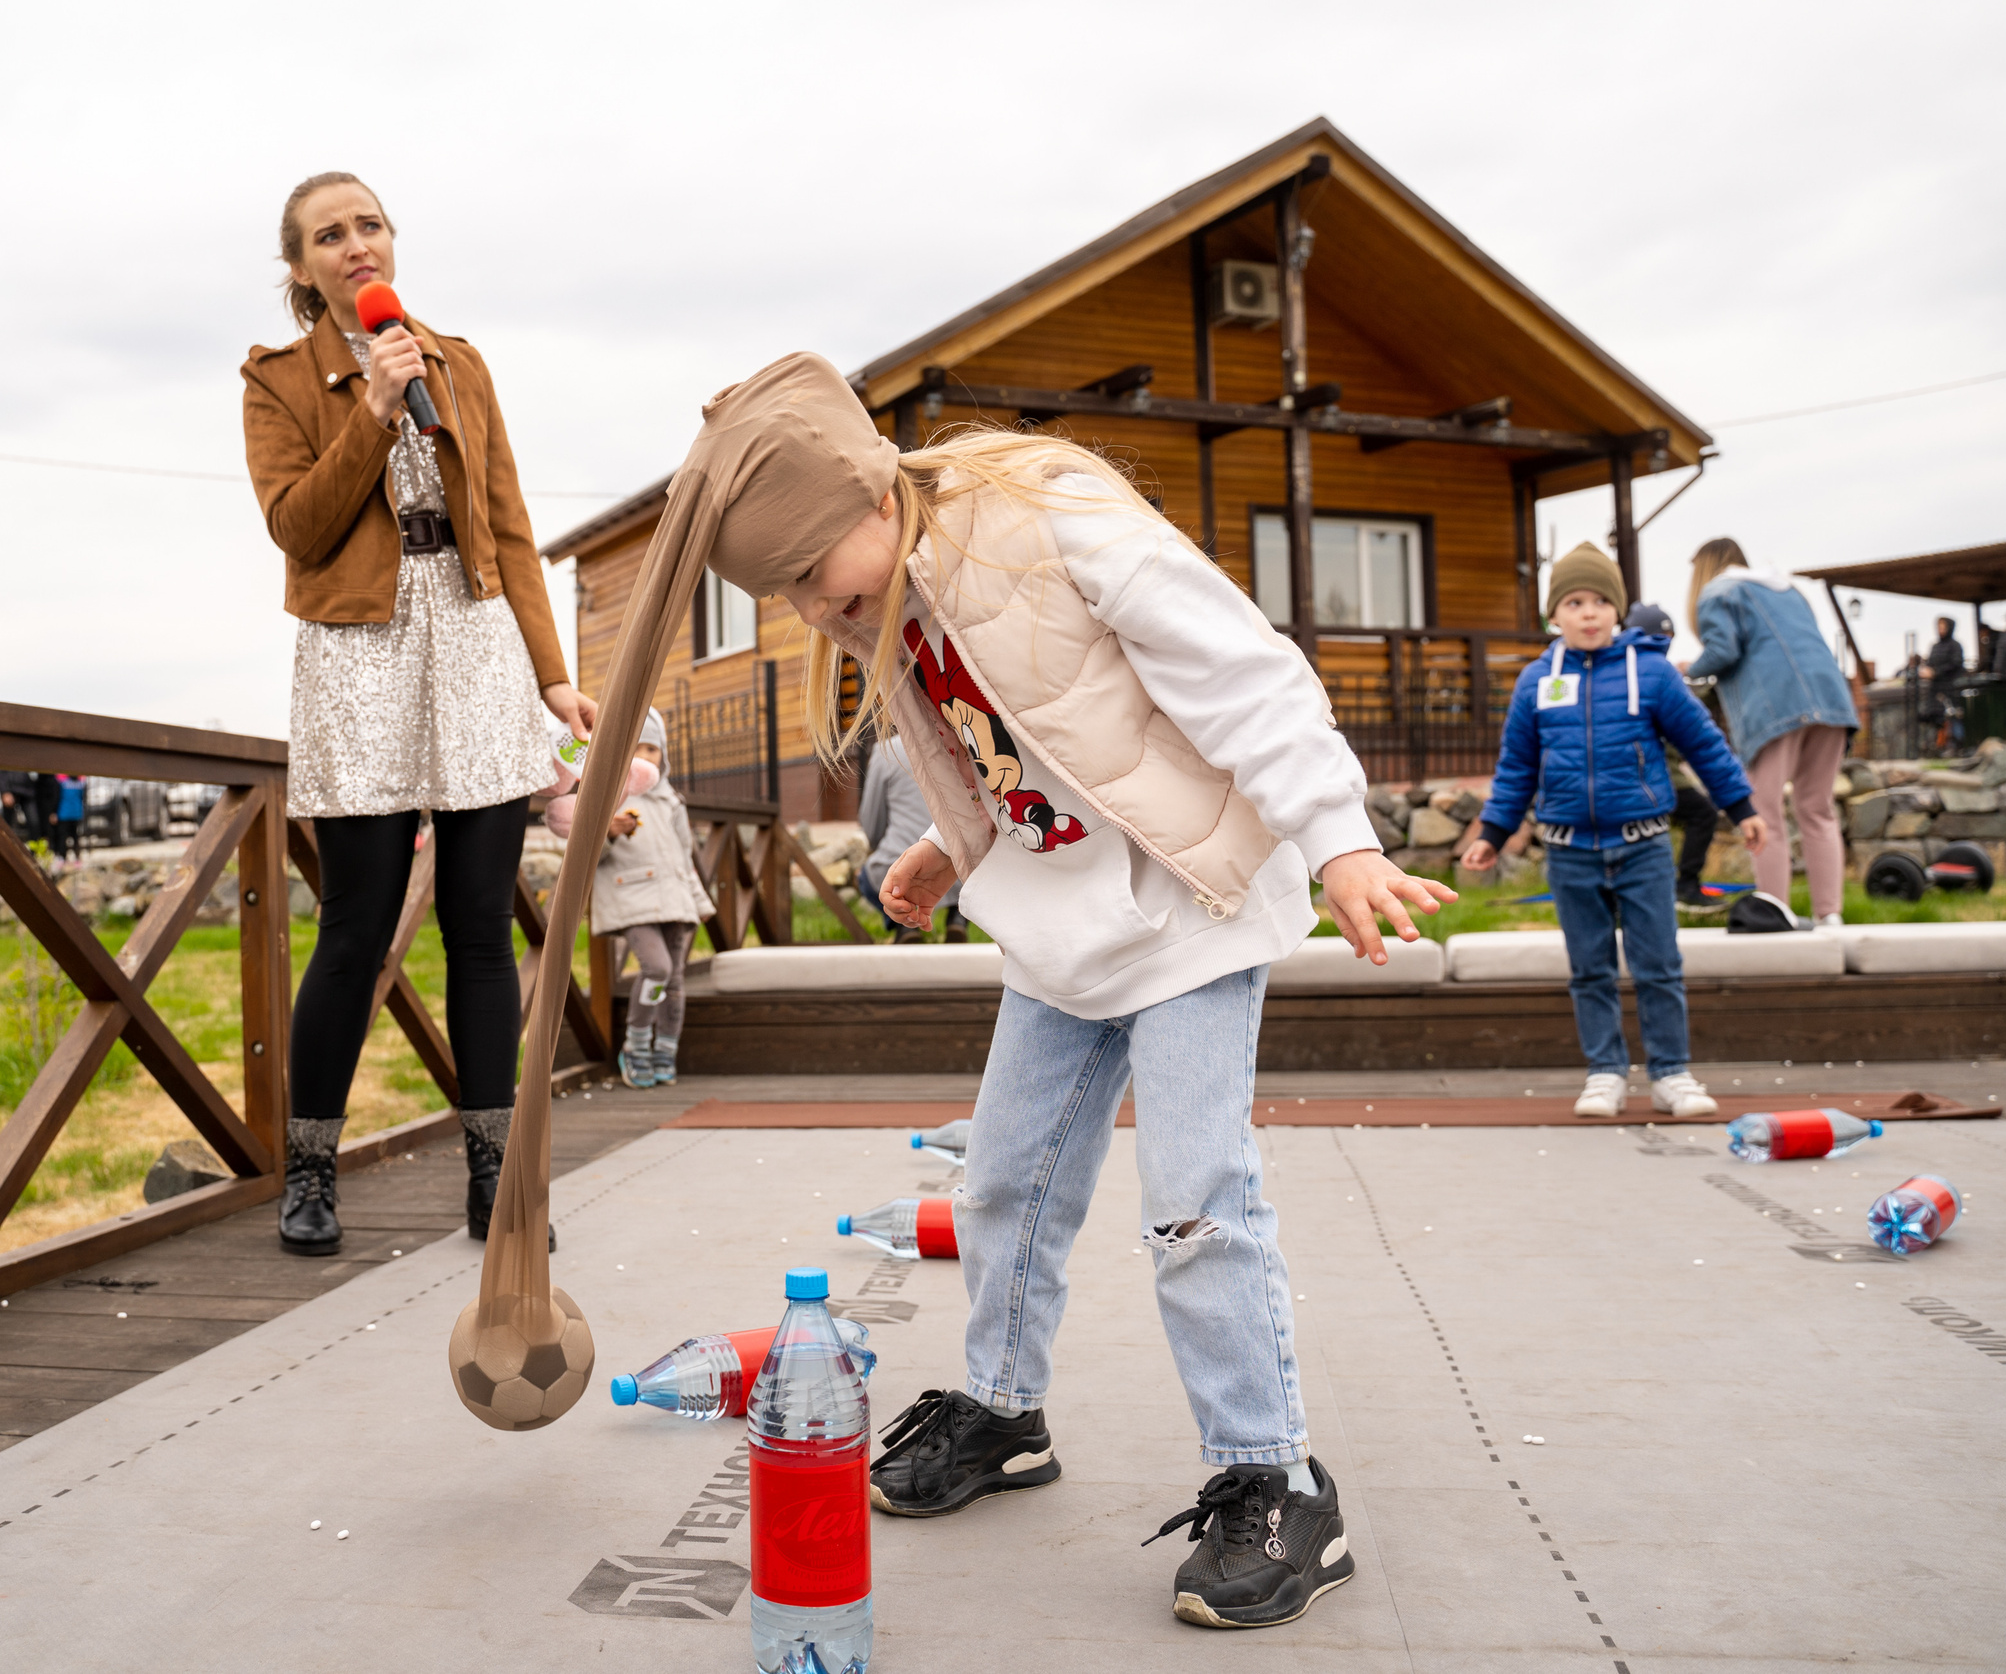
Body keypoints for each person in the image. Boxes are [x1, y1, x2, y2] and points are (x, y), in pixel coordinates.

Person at [674, 352, 1453, 1631]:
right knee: (1001, 1180)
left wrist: (1339, 837)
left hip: (1190, 907)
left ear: (875, 498)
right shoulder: (892, 604)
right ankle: (1002, 1408)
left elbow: (1245, 679)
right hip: (1061, 933)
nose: (814, 611)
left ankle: (1273, 1476)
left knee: (1195, 1199)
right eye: (785, 597)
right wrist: (954, 842)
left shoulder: (1053, 527)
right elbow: (1004, 747)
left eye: (814, 577)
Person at [243, 172, 596, 1256]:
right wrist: (374, 406)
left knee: (480, 926)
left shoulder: (462, 361)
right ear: (300, 269)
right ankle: (309, 1175)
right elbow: (297, 529)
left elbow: (511, 522)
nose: (356, 245)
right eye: (328, 235)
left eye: (369, 225)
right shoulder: (279, 380)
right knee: (354, 928)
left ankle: (495, 1181)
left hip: (476, 634)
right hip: (359, 651)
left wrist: (551, 672)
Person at [1463, 546, 1764, 1118]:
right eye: (1575, 602)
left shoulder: (1650, 673)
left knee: (1658, 964)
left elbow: (1703, 743)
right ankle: (1605, 1072)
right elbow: (1517, 768)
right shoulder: (1536, 682)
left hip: (1642, 845)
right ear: (1555, 615)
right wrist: (1493, 832)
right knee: (1590, 968)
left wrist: (1742, 806)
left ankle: (1672, 1072)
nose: (1590, 613)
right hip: (1569, 851)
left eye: (1602, 601)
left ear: (1618, 610)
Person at [1685, 538, 1863, 925]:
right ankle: (1830, 917)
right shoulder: (1787, 588)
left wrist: (1686, 671)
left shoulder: (1718, 591)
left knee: (1762, 813)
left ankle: (1772, 913)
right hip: (1831, 699)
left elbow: (1724, 650)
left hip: (1775, 707)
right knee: (1817, 809)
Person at [544, 709, 712, 1088]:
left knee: (675, 980)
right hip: (633, 899)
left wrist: (699, 903)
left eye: (652, 749)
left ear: (663, 756)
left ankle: (665, 1048)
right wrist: (610, 832)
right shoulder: (608, 796)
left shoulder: (672, 802)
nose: (645, 756)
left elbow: (685, 858)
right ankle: (636, 1045)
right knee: (657, 968)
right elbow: (585, 853)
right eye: (637, 748)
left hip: (675, 901)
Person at [1625, 603, 1726, 911]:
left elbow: (1686, 713)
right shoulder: (1650, 673)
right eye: (1661, 635)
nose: (1666, 642)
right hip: (1652, 774)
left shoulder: (1655, 673)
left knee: (1691, 817)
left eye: (1670, 635)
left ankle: (1667, 888)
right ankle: (1684, 886)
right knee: (1702, 814)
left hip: (1658, 772)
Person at [856, 735, 963, 942]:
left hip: (903, 865)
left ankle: (905, 927)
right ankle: (957, 919)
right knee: (959, 864)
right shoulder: (960, 741)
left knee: (867, 878)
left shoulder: (887, 751)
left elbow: (871, 823)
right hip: (959, 864)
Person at [1925, 615, 1969, 748]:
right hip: (1936, 689)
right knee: (1937, 719)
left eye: (1943, 627)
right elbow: (1930, 662)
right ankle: (1938, 745)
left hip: (1951, 687)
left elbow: (1956, 664)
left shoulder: (1955, 646)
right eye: (1939, 627)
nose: (1941, 630)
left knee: (1954, 716)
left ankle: (1957, 744)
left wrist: (1936, 672)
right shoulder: (1935, 646)